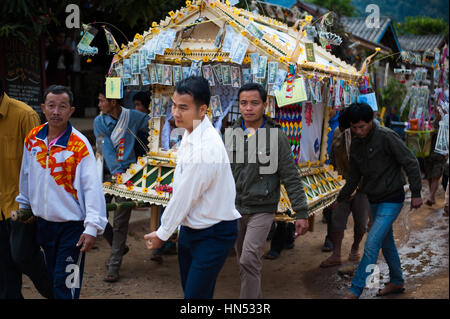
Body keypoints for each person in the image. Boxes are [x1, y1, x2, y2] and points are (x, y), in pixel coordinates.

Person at [144, 76, 241, 299]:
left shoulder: (206, 147)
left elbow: (185, 196)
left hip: (214, 233)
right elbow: (182, 190)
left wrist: (163, 232)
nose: (176, 113)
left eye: (183, 108)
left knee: (194, 297)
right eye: (174, 106)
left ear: (202, 110)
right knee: (197, 294)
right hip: (191, 231)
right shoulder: (190, 134)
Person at [16, 85, 108, 299]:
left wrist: (92, 227)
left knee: (67, 286)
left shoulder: (79, 145)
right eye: (51, 106)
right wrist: (25, 206)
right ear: (43, 108)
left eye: (62, 106)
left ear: (71, 111)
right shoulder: (33, 139)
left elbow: (92, 187)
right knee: (53, 282)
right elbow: (26, 175)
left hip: (72, 229)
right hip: (44, 225)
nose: (56, 111)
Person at [225, 83, 309, 299]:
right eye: (244, 103)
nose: (248, 108)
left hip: (262, 208)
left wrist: (301, 212)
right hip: (235, 209)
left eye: (254, 103)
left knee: (248, 259)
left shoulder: (276, 136)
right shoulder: (232, 132)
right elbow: (222, 172)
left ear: (265, 105)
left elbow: (290, 176)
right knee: (244, 261)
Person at [333, 102, 423, 299]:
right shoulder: (356, 142)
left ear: (371, 121)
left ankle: (355, 290)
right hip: (373, 199)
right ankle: (397, 281)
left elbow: (410, 161)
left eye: (362, 127)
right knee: (386, 242)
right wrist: (340, 198)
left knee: (372, 243)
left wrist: (416, 192)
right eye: (354, 127)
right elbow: (354, 177)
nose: (358, 131)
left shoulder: (387, 136)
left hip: (392, 198)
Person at [0, 81, 53, 299]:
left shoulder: (25, 115)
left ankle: (58, 292)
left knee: (23, 256)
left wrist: (34, 204)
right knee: (3, 269)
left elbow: (40, 165)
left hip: (21, 205)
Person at [94, 88, 150, 282]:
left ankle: (114, 263)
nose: (99, 105)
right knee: (97, 214)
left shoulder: (132, 117)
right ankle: (119, 247)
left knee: (120, 220)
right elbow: (105, 149)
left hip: (128, 175)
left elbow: (153, 124)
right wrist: (115, 172)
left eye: (102, 100)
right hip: (105, 173)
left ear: (114, 102)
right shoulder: (99, 121)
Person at [319, 108, 370, 268]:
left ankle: (355, 248)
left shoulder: (368, 138)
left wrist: (355, 189)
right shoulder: (338, 137)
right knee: (336, 221)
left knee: (361, 224)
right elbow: (333, 164)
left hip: (363, 188)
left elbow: (369, 168)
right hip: (342, 186)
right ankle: (336, 255)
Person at [423, 114, 448, 206]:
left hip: (439, 155)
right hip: (428, 154)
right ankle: (432, 196)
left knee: (435, 176)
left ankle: (431, 196)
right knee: (430, 176)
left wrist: (436, 132)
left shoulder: (446, 124)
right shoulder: (430, 124)